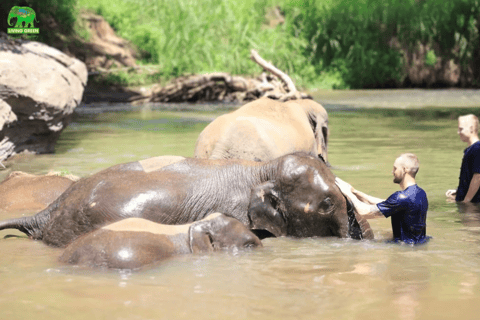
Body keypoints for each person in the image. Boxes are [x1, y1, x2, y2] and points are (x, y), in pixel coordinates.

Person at [336, 153, 429, 244]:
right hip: (419, 244)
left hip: (404, 249)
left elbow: (364, 212)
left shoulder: (401, 198)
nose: (392, 172)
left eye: (395, 168)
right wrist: (355, 192)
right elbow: (387, 203)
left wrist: (347, 193)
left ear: (405, 170)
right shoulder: (420, 193)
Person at [446, 114, 480, 203]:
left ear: (472, 129)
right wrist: (458, 190)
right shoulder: (470, 149)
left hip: (473, 203)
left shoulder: (477, 149)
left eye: (461, 129)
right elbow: (468, 176)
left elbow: (478, 177)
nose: (458, 132)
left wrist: (466, 201)